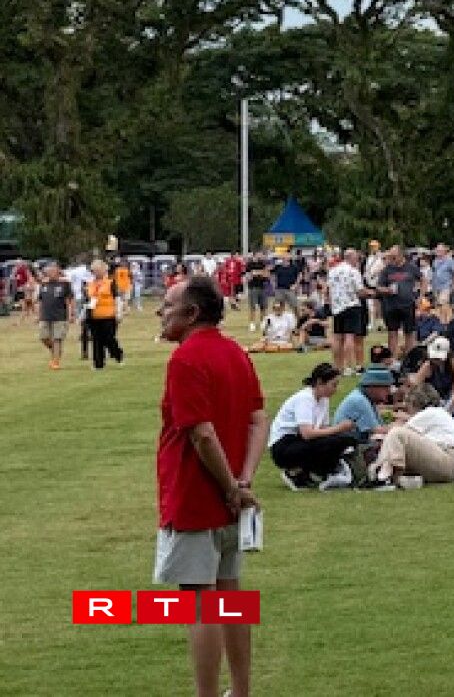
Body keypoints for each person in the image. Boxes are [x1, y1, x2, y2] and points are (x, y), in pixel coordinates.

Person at [154, 275, 267, 697]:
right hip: (232, 497)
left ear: (192, 313)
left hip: (196, 495)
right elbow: (258, 419)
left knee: (200, 603)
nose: (161, 313)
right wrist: (243, 481)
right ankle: (240, 691)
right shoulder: (235, 352)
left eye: (167, 305)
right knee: (230, 598)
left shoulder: (186, 359)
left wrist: (228, 486)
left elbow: (201, 434)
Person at [268, 363, 360, 490]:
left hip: (300, 441)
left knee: (344, 440)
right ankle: (294, 472)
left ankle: (319, 472)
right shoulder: (305, 398)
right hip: (284, 445)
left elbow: (323, 429)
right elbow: (307, 433)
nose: (335, 389)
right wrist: (339, 428)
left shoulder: (324, 400)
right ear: (320, 382)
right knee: (335, 441)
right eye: (333, 384)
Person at [371, 384, 454, 487]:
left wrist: (375, 434)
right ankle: (389, 476)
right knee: (396, 444)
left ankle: (386, 476)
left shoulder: (430, 412)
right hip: (448, 462)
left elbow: (398, 433)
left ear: (414, 403)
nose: (407, 408)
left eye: (408, 405)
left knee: (396, 433)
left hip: (447, 458)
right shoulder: (438, 413)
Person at [326, 249, 370, 375]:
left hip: (337, 307)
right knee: (349, 336)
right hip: (351, 305)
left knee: (337, 337)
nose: (357, 260)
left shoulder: (333, 271)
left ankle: (338, 366)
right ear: (351, 258)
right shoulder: (353, 271)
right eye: (356, 258)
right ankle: (349, 366)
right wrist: (372, 293)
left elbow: (328, 289)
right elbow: (360, 291)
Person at [333, 365, 396, 451]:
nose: (389, 392)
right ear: (372, 387)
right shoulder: (359, 400)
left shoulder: (366, 398)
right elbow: (378, 430)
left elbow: (380, 426)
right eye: (386, 387)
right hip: (346, 449)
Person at [375, 246, 422, 361]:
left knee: (409, 332)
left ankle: (410, 359)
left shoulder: (411, 267)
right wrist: (386, 290)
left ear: (401, 255)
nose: (392, 259)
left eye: (394, 257)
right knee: (392, 332)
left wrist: (421, 296)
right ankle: (392, 359)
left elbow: (423, 279)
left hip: (407, 304)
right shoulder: (387, 269)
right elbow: (379, 287)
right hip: (391, 305)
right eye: (390, 257)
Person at [85, 258, 124, 370]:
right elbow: (88, 299)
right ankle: (98, 363)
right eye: (94, 271)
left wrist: (118, 313)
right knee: (97, 340)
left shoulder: (111, 283)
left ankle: (117, 354)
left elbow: (117, 298)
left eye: (98, 270)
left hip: (109, 315)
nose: (96, 273)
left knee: (109, 338)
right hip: (94, 315)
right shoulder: (90, 284)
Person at [36, 261, 72, 370]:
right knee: (43, 337)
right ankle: (55, 351)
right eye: (48, 271)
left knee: (57, 338)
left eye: (53, 271)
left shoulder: (65, 284)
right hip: (45, 315)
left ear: (58, 271)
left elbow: (69, 300)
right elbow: (40, 300)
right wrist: (38, 314)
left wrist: (71, 314)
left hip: (60, 315)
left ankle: (55, 361)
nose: (50, 273)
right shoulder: (44, 284)